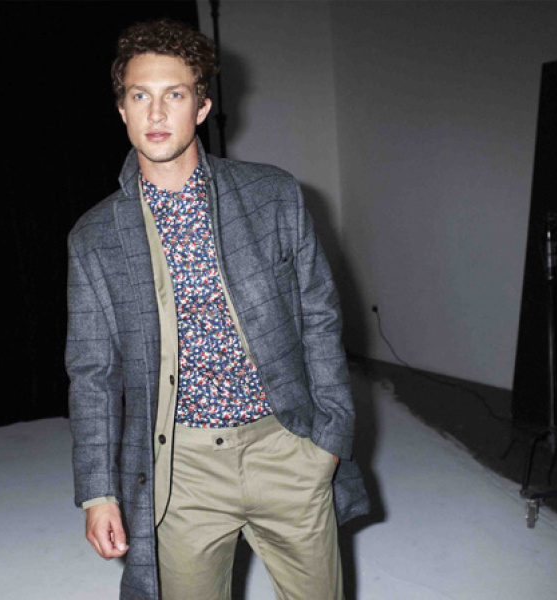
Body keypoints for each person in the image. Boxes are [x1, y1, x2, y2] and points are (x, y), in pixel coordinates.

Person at [66, 19, 368, 600]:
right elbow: (93, 373)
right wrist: (98, 493)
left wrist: (329, 436)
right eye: (140, 96)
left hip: (286, 446)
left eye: (175, 95)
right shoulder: (94, 238)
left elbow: (319, 315)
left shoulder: (271, 195)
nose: (157, 113)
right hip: (182, 468)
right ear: (122, 110)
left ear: (202, 107)